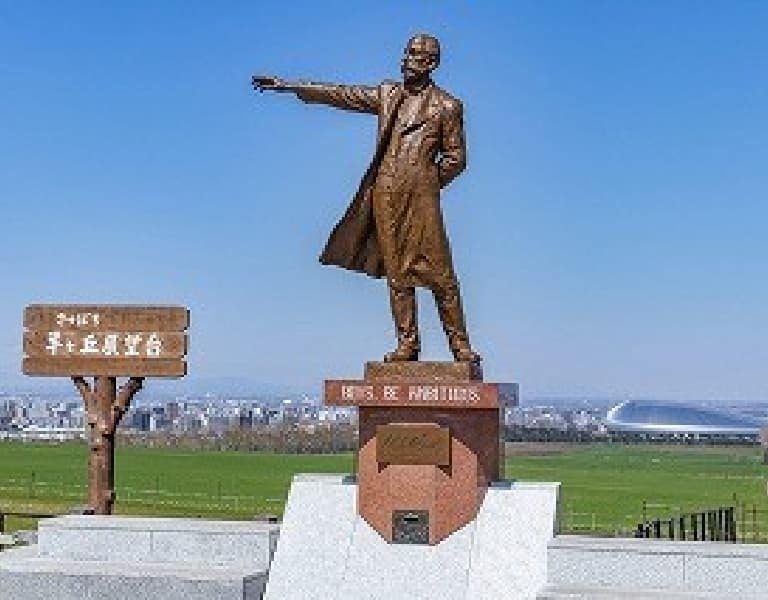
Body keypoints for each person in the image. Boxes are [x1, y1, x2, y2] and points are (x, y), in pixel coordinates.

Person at [253, 34, 480, 363]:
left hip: (421, 200)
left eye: (415, 55)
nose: (406, 59)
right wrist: (290, 86)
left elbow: (456, 159)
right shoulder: (390, 95)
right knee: (397, 275)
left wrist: (426, 184)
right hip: (385, 196)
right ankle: (408, 343)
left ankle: (460, 346)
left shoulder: (447, 106)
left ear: (431, 63)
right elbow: (343, 95)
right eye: (406, 53)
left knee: (442, 274)